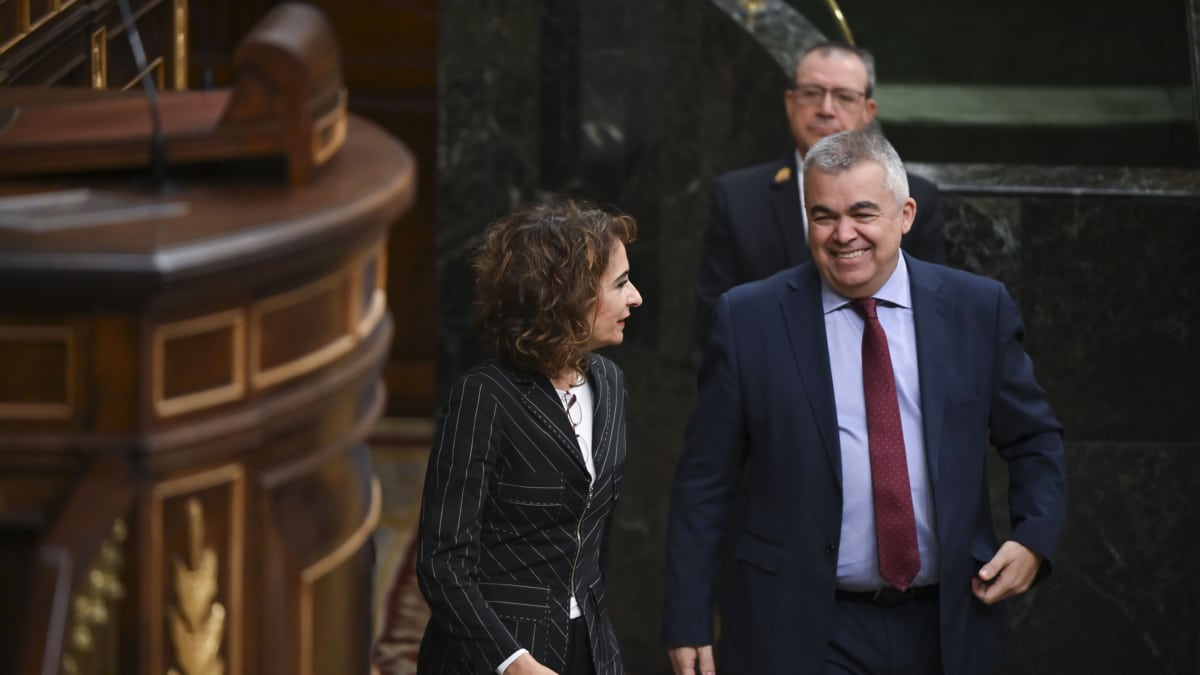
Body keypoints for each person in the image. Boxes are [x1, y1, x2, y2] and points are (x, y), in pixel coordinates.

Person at [663, 131, 1067, 675]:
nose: (842, 234)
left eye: (862, 212)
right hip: (804, 629)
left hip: (950, 621)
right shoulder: (748, 320)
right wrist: (688, 615)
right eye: (823, 215)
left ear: (905, 214)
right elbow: (705, 480)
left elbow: (1033, 436)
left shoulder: (977, 309)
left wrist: (1034, 537)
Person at [416, 199, 643, 675]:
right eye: (620, 285)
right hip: (496, 653)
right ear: (569, 297)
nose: (636, 297)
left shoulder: (612, 383)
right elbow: (442, 564)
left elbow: (593, 540)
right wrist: (512, 662)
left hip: (591, 647)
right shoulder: (484, 398)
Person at [694, 41, 947, 349]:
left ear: (868, 111)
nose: (826, 109)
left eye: (843, 96)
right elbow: (713, 320)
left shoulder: (915, 193)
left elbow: (934, 312)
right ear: (790, 103)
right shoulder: (736, 197)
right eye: (812, 93)